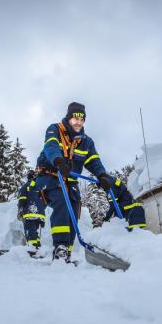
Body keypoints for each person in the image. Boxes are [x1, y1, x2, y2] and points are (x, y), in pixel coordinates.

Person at [35, 101, 115, 263]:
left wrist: (102, 175)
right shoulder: (54, 129)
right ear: (68, 118)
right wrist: (58, 161)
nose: (78, 122)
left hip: (70, 181)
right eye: (75, 118)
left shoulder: (86, 141)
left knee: (74, 206)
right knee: (62, 202)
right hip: (50, 176)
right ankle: (60, 247)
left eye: (81, 119)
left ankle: (67, 251)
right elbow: (51, 146)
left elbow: (94, 161)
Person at [17, 169, 46, 256]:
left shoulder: (25, 186)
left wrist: (20, 210)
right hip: (39, 214)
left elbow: (22, 199)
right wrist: (41, 212)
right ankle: (38, 247)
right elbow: (45, 201)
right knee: (34, 231)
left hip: (29, 212)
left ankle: (32, 249)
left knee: (30, 231)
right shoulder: (40, 186)